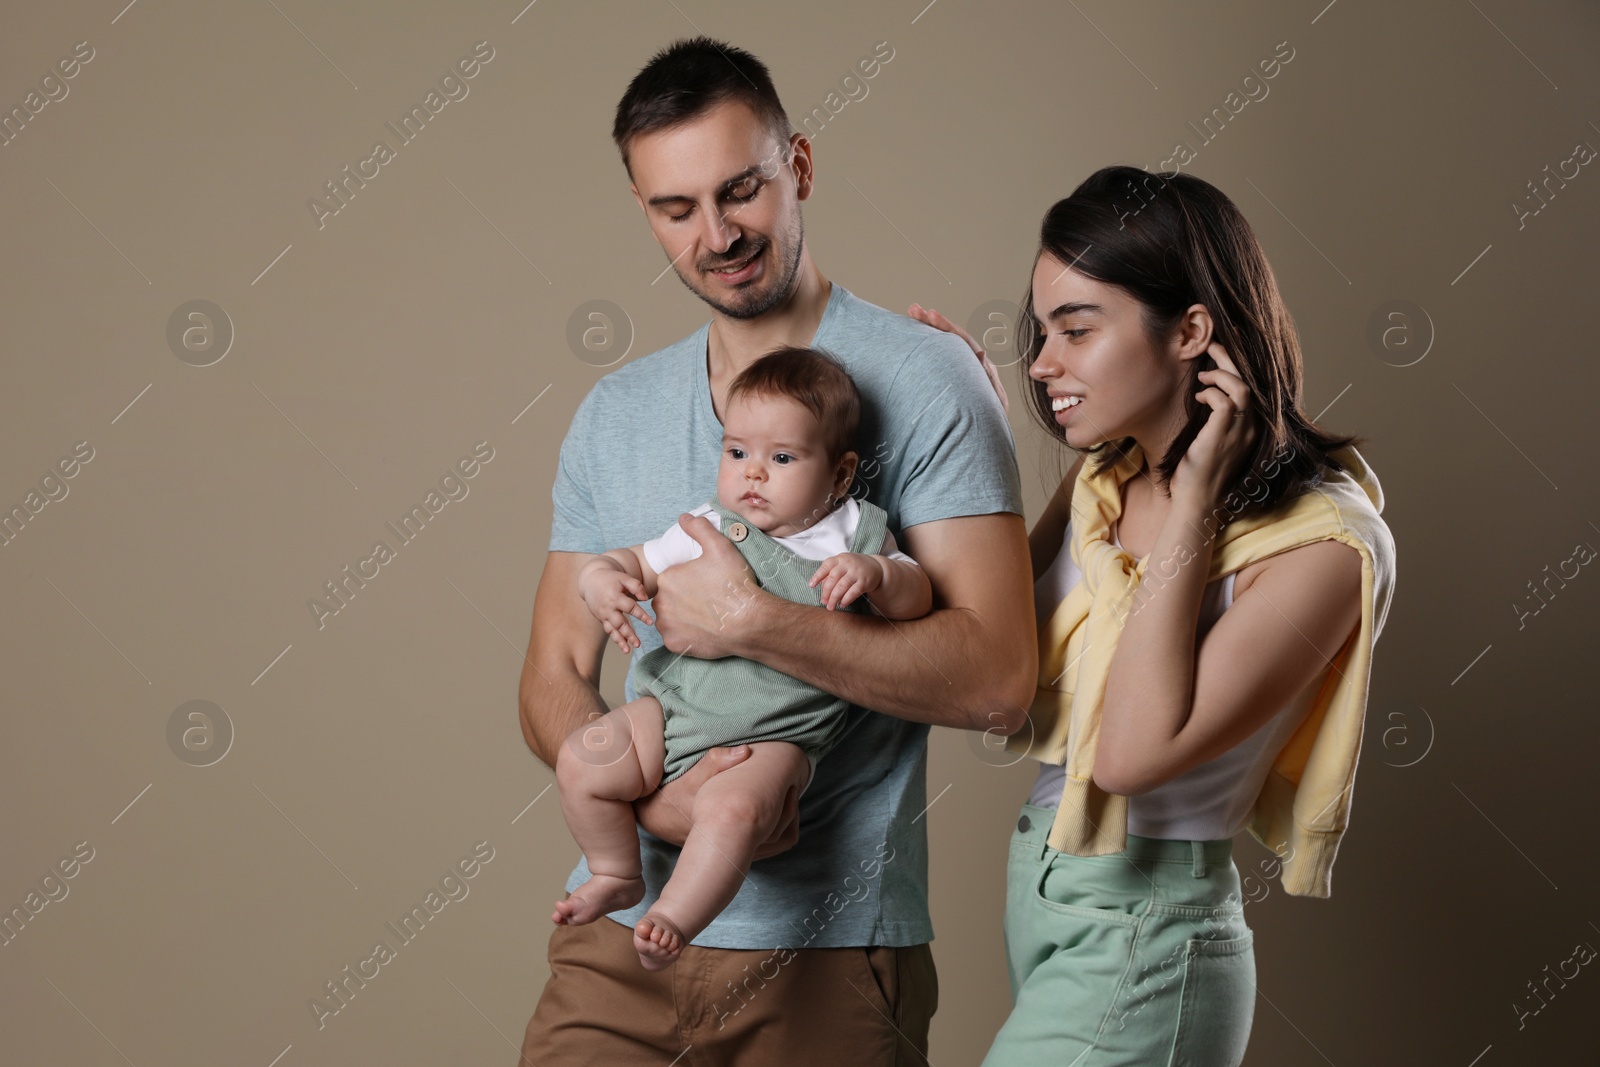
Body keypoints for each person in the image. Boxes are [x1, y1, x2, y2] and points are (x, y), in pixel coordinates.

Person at [517, 37, 1034, 1065]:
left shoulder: (925, 381)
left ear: (797, 168)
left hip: (829, 952)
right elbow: (551, 675)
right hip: (618, 954)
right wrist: (661, 798)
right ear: (645, 213)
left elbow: (999, 682)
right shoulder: (611, 413)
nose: (717, 234)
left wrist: (758, 620)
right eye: (676, 209)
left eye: (740, 189)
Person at [913, 165, 1397, 1065]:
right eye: (1039, 331)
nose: (1043, 362)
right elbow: (990, 650)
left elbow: (1132, 751)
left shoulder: (1327, 543)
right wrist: (965, 411)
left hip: (1150, 932)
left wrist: (1197, 506)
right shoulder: (1107, 479)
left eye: (1076, 329)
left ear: (1191, 331)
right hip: (1048, 891)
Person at [554, 346, 934, 971]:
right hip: (672, 712)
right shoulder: (708, 525)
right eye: (737, 453)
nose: (752, 474)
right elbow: (632, 562)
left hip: (775, 737)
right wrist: (601, 579)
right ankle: (617, 871)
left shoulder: (856, 534)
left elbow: (918, 595)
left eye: (781, 458)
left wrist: (877, 573)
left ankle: (674, 914)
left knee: (734, 811)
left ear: (840, 475)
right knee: (584, 759)